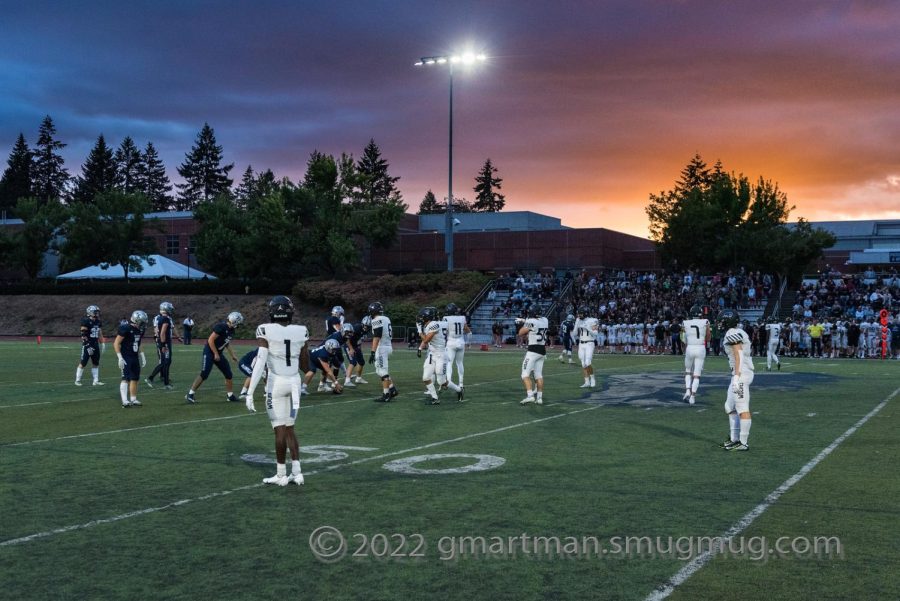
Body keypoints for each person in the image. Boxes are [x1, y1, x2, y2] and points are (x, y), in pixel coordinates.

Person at [245, 296, 310, 486]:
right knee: (290, 428)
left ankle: (281, 474)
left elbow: (261, 360)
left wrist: (250, 392)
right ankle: (297, 472)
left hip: (277, 383)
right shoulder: (302, 330)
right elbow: (306, 365)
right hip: (295, 384)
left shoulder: (265, 329)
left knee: (279, 430)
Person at [185, 311, 243, 404]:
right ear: (234, 321)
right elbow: (210, 340)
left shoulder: (232, 330)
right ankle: (190, 394)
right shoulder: (221, 326)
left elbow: (226, 343)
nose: (239, 324)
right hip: (209, 352)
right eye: (238, 322)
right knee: (204, 374)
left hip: (218, 353)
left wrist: (233, 355)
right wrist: (215, 353)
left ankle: (230, 395)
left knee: (228, 373)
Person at [719, 309, 754, 451]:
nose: (720, 323)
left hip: (741, 374)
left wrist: (737, 375)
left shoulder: (731, 333)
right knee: (729, 406)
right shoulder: (737, 331)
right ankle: (734, 439)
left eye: (722, 320)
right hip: (740, 373)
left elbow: (738, 353)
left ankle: (743, 442)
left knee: (742, 408)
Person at [417, 306, 462, 405]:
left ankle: (459, 390)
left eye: (422, 316)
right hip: (432, 354)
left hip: (441, 355)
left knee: (441, 381)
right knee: (426, 377)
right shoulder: (429, 324)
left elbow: (426, 340)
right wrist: (420, 348)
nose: (420, 318)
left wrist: (420, 332)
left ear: (426, 317)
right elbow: (426, 341)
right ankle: (435, 398)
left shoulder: (434, 324)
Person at [114, 310, 148, 408]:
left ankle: (133, 399)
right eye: (142, 322)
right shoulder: (125, 328)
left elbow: (139, 343)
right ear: (137, 320)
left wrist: (142, 355)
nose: (144, 324)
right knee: (125, 378)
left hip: (134, 357)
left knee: (135, 378)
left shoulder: (139, 330)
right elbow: (116, 343)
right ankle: (125, 400)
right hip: (126, 357)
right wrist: (119, 357)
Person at [518, 307, 549, 405]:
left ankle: (530, 396)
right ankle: (539, 398)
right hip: (542, 350)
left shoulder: (531, 321)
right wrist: (525, 320)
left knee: (524, 374)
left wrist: (523, 323)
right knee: (538, 375)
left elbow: (521, 333)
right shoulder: (545, 320)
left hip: (533, 350)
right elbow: (535, 323)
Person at [680, 305, 711, 405]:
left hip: (690, 347)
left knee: (688, 372)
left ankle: (687, 391)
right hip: (700, 347)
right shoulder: (705, 321)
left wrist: (685, 346)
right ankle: (692, 397)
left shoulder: (685, 322)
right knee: (696, 375)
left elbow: (682, 338)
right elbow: (708, 338)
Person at [369, 301, 398, 402]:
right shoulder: (386, 318)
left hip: (382, 348)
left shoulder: (377, 320)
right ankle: (392, 389)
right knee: (379, 370)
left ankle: (386, 395)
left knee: (382, 371)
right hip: (388, 346)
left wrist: (372, 352)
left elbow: (377, 336)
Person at [146, 301, 176, 389]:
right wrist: (163, 345)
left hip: (162, 342)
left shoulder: (159, 318)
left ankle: (164, 382)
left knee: (165, 362)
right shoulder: (166, 319)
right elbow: (162, 333)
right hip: (165, 342)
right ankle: (154, 379)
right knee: (166, 362)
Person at [443, 303, 471, 393]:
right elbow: (469, 331)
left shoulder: (446, 318)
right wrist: (468, 343)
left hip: (451, 342)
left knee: (449, 363)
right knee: (459, 363)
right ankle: (461, 383)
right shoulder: (462, 318)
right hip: (461, 342)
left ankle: (449, 381)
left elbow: (444, 332)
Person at [75, 304, 105, 386]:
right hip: (88, 344)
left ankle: (96, 380)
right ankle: (77, 380)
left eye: (97, 312)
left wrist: (102, 343)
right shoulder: (86, 321)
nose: (97, 313)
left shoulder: (98, 321)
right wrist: (87, 345)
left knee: (96, 363)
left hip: (95, 344)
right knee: (83, 362)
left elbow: (100, 333)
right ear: (90, 312)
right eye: (95, 312)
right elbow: (83, 335)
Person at [574, 306, 599, 388]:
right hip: (581, 343)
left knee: (588, 362)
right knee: (583, 364)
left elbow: (595, 334)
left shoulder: (593, 320)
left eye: (581, 313)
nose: (579, 315)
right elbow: (574, 334)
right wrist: (576, 324)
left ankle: (593, 379)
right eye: (579, 314)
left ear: (585, 313)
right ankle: (586, 382)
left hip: (589, 343)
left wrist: (588, 328)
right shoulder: (578, 320)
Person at [341, 322, 368, 387]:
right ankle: (347, 381)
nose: (367, 327)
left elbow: (359, 339)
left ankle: (358, 378)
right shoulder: (356, 328)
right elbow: (347, 339)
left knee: (361, 362)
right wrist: (351, 349)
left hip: (356, 346)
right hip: (349, 345)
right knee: (353, 362)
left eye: (369, 326)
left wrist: (359, 347)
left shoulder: (367, 329)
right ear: (363, 324)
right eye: (366, 326)